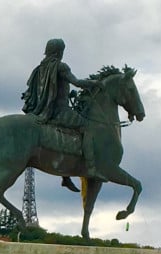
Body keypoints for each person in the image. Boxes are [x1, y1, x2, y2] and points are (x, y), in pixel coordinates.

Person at [21, 37, 100, 190]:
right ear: (59, 51)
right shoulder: (61, 67)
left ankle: (66, 176)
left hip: (41, 110)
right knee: (88, 126)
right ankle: (91, 168)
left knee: (67, 135)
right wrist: (94, 83)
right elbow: (76, 82)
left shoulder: (38, 69)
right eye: (62, 51)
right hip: (59, 111)